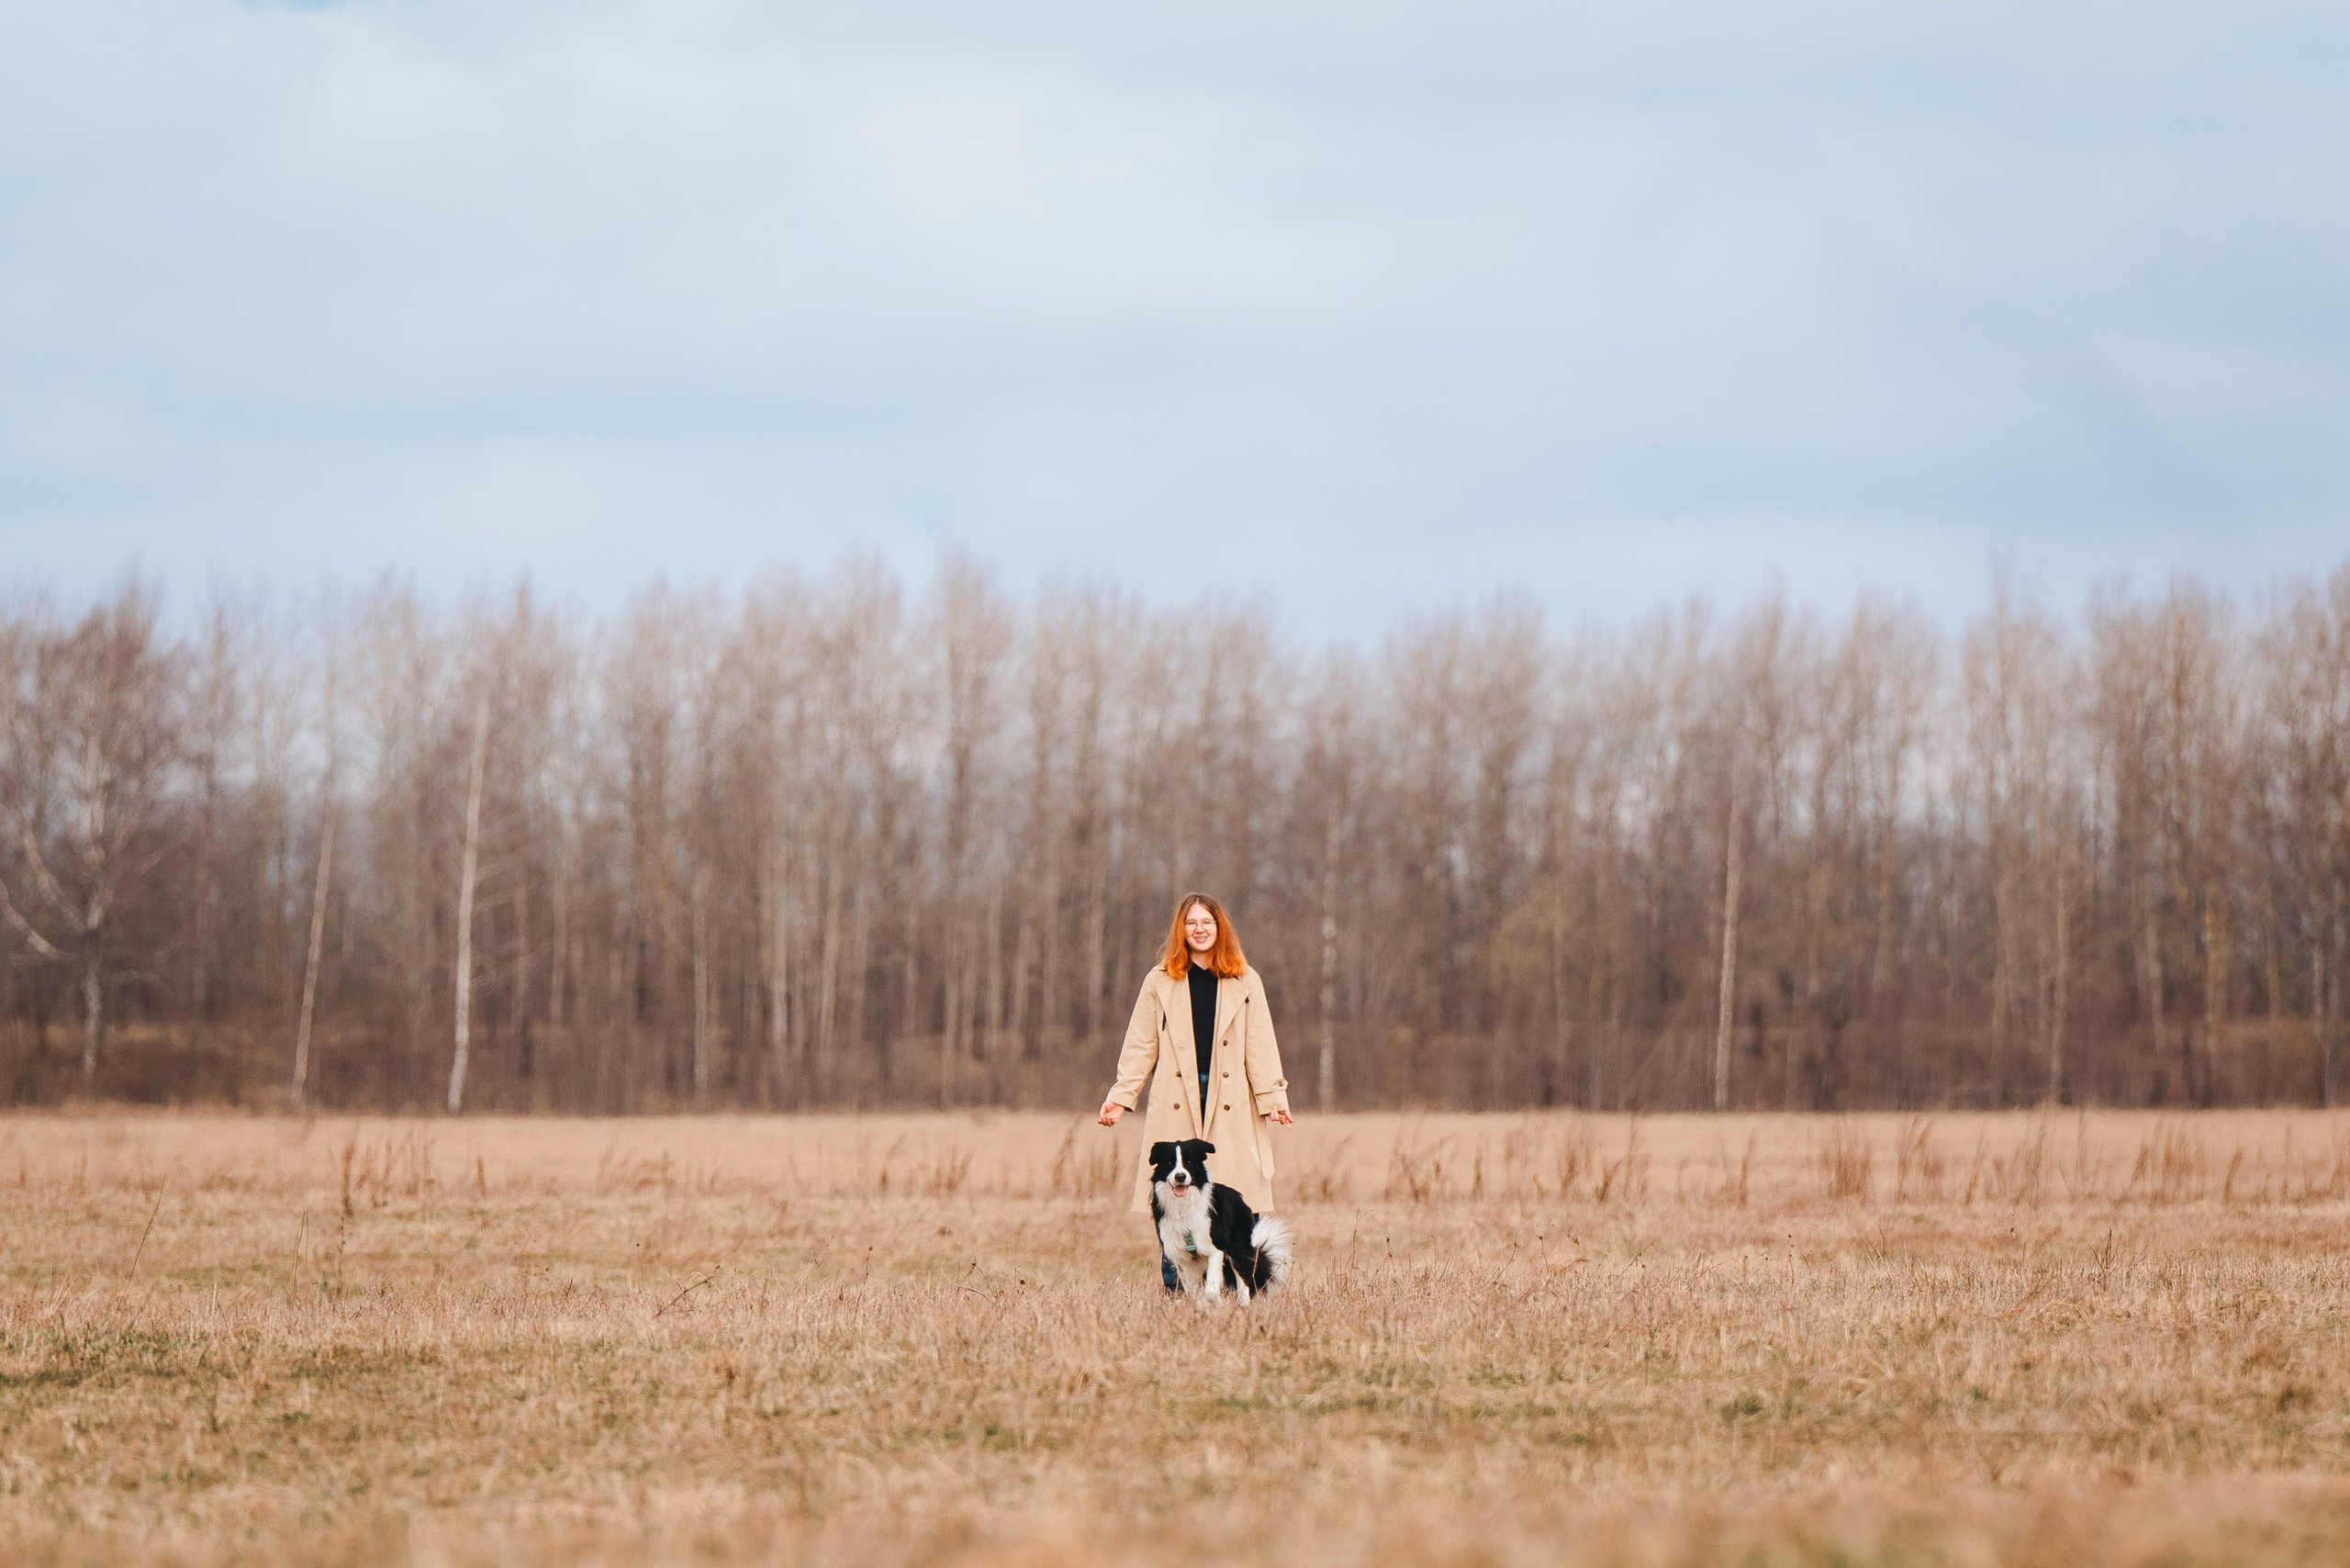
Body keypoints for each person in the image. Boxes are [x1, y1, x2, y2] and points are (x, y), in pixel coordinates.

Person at [1098, 892, 1293, 1292]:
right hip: (1176, 1100)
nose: (1199, 930)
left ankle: (1242, 1287)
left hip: (1232, 1103)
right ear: (1181, 931)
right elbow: (1140, 1045)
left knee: (1237, 1197)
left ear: (1220, 928)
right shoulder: (1159, 981)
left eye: (1207, 922)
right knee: (1173, 1194)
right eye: (1191, 923)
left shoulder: (1245, 979)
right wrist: (1121, 1096)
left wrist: (1272, 1098)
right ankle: (1177, 1286)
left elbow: (1260, 1043)